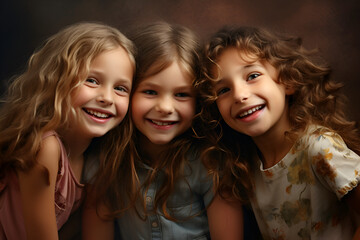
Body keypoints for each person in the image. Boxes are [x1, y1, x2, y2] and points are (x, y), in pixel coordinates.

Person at [82, 21, 247, 240]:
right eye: (150, 91)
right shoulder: (105, 162)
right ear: (127, 91)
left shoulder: (211, 164)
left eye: (181, 95)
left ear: (199, 102)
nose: (165, 108)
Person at [197, 26, 360, 240]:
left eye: (252, 75)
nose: (239, 95)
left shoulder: (319, 146)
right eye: (223, 90)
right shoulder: (247, 164)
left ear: (288, 81)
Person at [0, 22, 135, 240]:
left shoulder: (93, 157)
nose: (107, 98)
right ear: (57, 80)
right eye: (91, 81)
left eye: (120, 88)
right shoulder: (45, 146)